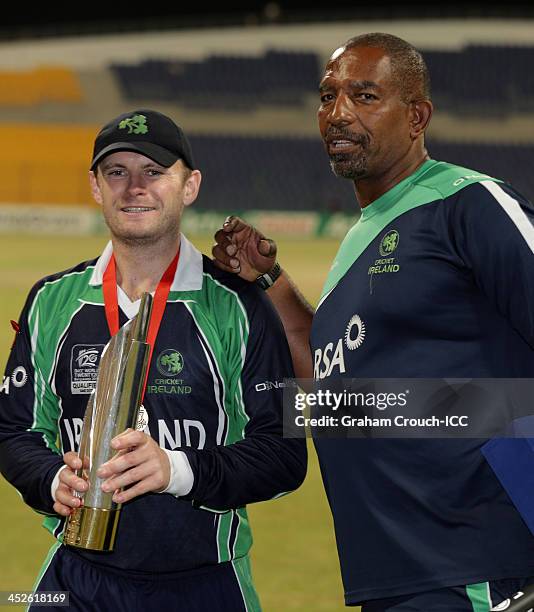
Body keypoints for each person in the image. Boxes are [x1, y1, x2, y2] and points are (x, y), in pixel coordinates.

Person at [212, 33, 534, 611]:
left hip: (480, 569)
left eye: (364, 96)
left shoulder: (469, 205)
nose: (338, 113)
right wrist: (272, 285)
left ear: (417, 116)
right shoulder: (363, 233)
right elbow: (335, 398)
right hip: (391, 571)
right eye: (328, 95)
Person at [0, 108, 306, 611]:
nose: (134, 187)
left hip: (205, 586)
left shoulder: (242, 306)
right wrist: (53, 478)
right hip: (76, 581)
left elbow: (285, 457)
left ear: (190, 186)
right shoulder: (51, 299)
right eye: (116, 172)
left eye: (154, 171)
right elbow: (14, 433)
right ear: (96, 187)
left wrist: (175, 470)